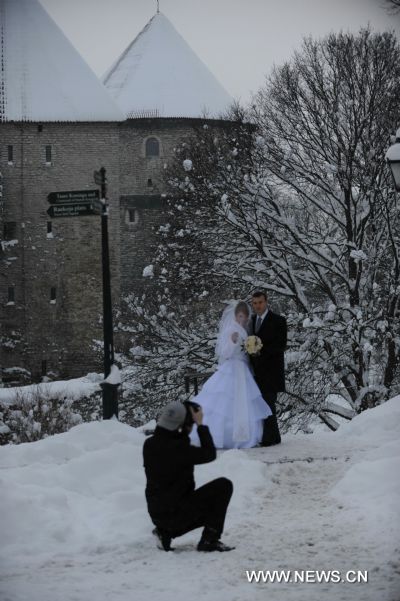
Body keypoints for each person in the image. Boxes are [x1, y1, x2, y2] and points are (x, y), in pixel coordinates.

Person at [143, 400, 234, 552]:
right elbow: (210, 454)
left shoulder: (149, 444)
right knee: (223, 486)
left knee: (183, 505)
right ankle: (209, 540)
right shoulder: (179, 448)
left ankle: (165, 533)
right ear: (183, 425)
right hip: (175, 515)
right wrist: (200, 425)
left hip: (158, 515)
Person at [190, 301, 271, 449]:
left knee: (244, 401)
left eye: (245, 317)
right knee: (226, 401)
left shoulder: (244, 330)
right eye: (240, 316)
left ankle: (245, 435)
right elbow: (224, 353)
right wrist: (233, 342)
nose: (242, 319)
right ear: (235, 315)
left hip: (243, 369)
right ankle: (225, 436)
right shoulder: (231, 330)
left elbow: (246, 351)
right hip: (232, 367)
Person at [250, 290, 287, 446]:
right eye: (255, 303)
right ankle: (274, 438)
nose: (258, 306)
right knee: (262, 405)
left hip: (271, 370)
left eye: (260, 302)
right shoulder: (250, 321)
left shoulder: (278, 320)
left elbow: (281, 345)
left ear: (266, 302)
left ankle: (268, 439)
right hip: (255, 372)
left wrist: (261, 350)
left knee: (268, 404)